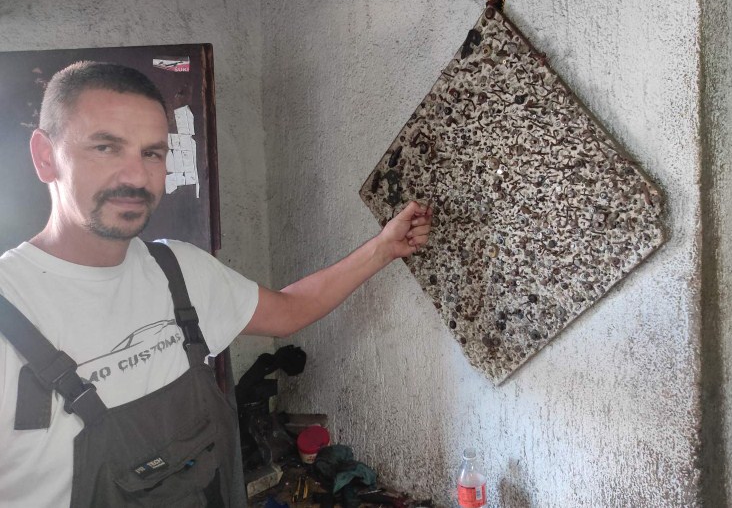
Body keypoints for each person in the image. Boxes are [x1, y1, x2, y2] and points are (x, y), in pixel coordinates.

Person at [0, 61, 432, 507]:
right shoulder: (11, 306)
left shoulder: (179, 271)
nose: (136, 177)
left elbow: (289, 311)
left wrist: (384, 248)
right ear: (46, 156)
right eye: (106, 147)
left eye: (152, 153)